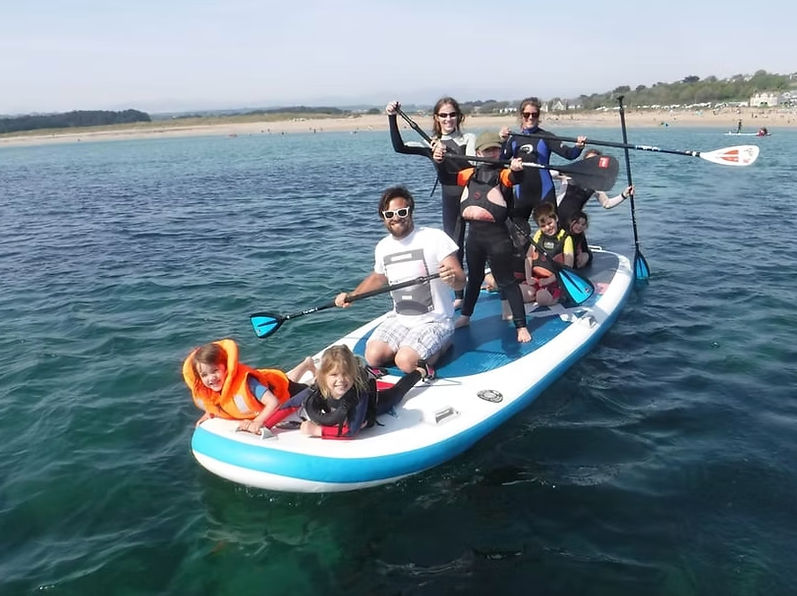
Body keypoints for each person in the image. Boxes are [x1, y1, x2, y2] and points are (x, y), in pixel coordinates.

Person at [334, 186, 466, 373]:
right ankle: (412, 345)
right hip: (400, 318)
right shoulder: (383, 246)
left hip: (435, 320)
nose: (396, 217)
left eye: (401, 212)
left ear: (410, 212)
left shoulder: (434, 237)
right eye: (389, 214)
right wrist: (352, 295)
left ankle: (444, 342)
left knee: (405, 362)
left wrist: (452, 278)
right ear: (383, 218)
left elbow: (461, 280)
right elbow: (379, 277)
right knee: (373, 356)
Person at [434, 131, 532, 343]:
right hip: (474, 239)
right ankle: (466, 316)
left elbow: (516, 178)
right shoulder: (469, 173)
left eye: (496, 149)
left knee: (507, 281)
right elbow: (446, 178)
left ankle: (521, 326)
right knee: (475, 278)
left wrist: (517, 169)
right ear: (478, 152)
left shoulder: (503, 174)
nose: (492, 153)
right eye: (487, 150)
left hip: (498, 239)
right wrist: (440, 162)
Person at [386, 98, 475, 305]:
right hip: (450, 199)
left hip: (471, 194)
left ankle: (491, 279)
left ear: (458, 116)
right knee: (454, 246)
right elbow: (399, 147)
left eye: (452, 114)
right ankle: (460, 295)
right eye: (443, 115)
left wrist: (445, 152)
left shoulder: (468, 138)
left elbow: (472, 164)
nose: (448, 119)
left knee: (480, 243)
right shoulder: (430, 143)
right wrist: (392, 117)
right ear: (436, 118)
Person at [297, 344, 433, 439]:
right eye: (333, 375)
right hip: (346, 391)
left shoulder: (358, 393)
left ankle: (422, 370)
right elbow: (291, 403)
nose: (340, 380)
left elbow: (352, 431)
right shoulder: (320, 386)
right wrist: (274, 425)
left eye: (345, 374)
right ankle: (369, 371)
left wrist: (316, 430)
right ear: (323, 376)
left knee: (397, 392)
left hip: (374, 405)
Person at [182, 338, 315, 432]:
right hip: (274, 383)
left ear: (226, 367)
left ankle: (313, 371)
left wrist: (258, 421)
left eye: (215, 371)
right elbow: (216, 402)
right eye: (204, 375)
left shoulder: (248, 383)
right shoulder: (209, 390)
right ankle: (307, 364)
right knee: (285, 379)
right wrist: (209, 412)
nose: (211, 378)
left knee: (314, 390)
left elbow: (273, 403)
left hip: (286, 392)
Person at [500, 97, 587, 225]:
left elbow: (569, 154)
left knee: (551, 231)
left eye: (534, 115)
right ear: (521, 116)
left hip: (544, 193)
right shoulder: (514, 139)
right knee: (517, 233)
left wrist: (578, 147)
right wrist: (502, 141)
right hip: (521, 194)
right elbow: (501, 159)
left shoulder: (546, 137)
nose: (530, 118)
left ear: (538, 116)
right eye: (526, 114)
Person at [554, 149, 633, 249]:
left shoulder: (595, 185)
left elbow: (607, 204)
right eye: (588, 161)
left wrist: (624, 195)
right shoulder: (567, 175)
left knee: (584, 256)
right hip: (557, 219)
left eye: (594, 162)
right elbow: (549, 174)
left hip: (575, 224)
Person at [528, 203, 574, 306]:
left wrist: (548, 280)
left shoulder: (566, 238)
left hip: (556, 281)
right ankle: (540, 293)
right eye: (543, 226)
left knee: (541, 298)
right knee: (521, 293)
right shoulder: (539, 234)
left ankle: (560, 294)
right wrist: (528, 278)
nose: (548, 228)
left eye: (550, 223)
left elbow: (568, 267)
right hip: (538, 280)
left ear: (556, 218)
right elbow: (528, 257)